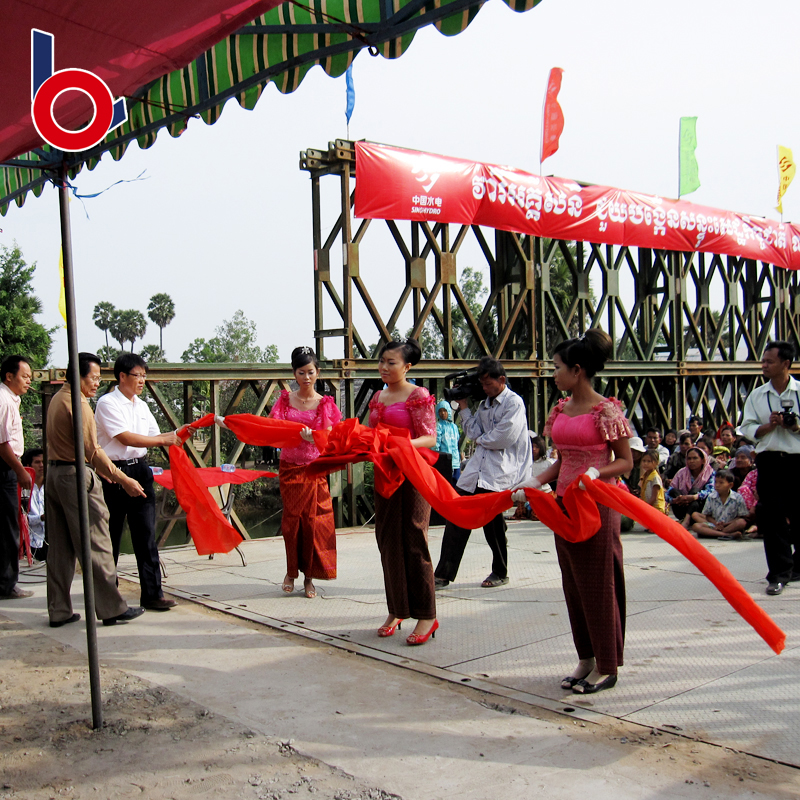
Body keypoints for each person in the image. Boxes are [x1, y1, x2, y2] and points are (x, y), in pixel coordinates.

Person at [514, 329, 633, 695]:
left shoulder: (606, 410)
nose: (554, 373)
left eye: (557, 367)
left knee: (599, 584)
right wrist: (534, 482)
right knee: (574, 583)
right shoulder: (560, 410)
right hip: (564, 506)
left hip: (597, 505)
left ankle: (607, 664)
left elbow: (626, 462)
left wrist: (597, 472)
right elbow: (560, 462)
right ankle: (586, 657)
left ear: (578, 370)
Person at [45, 352, 147, 627]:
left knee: (60, 547)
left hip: (54, 475)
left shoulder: (57, 400)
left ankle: (59, 609)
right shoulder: (80, 405)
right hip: (75, 475)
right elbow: (93, 451)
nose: (96, 383)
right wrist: (122, 478)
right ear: (77, 376)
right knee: (98, 541)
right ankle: (112, 607)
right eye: (93, 378)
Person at [433, 356, 531, 590]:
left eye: (488, 384)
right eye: (482, 384)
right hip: (477, 470)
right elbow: (473, 430)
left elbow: (503, 438)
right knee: (458, 517)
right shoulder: (485, 404)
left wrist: (480, 439)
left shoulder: (513, 403)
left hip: (499, 473)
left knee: (493, 525)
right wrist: (464, 408)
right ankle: (443, 574)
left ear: (502, 380)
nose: (484, 388)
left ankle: (500, 571)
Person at [95, 353, 182, 611]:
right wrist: (164, 440)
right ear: (122, 376)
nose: (142, 380)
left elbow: (156, 435)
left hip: (140, 471)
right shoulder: (107, 403)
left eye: (145, 375)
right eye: (138, 375)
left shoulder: (142, 406)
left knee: (145, 535)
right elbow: (125, 438)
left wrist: (179, 433)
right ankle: (108, 595)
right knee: (110, 536)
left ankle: (153, 594)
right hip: (113, 473)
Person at [368, 338, 438, 645]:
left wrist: (401, 445)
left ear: (407, 367)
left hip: (412, 474)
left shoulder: (417, 395)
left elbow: (430, 437)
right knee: (387, 541)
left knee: (413, 538)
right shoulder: (378, 395)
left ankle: (427, 615)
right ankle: (397, 609)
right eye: (382, 361)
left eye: (391, 363)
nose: (384, 367)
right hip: (385, 474)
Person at [269, 346, 341, 599]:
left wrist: (316, 439)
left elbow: (334, 439)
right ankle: (291, 572)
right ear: (294, 374)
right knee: (291, 523)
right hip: (289, 468)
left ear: (318, 373)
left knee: (312, 523)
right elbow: (273, 431)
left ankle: (309, 577)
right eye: (301, 372)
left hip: (314, 469)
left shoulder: (325, 404)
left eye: (310, 372)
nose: (306, 377)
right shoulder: (284, 400)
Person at [739, 340, 800, 596]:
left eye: (769, 361)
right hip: (771, 461)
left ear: (786, 364)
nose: (764, 365)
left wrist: (795, 426)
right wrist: (770, 426)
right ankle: (778, 574)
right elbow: (748, 428)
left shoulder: (799, 392)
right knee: (772, 517)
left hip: (798, 461)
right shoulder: (757, 395)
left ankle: (794, 567)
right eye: (763, 361)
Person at [0, 355, 34, 601]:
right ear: (9, 376)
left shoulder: (12, 400)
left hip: (8, 467)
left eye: (30, 377)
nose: (28, 381)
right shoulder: (4, 400)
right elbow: (2, 445)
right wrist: (21, 471)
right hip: (5, 469)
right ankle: (6, 583)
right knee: (7, 528)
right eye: (24, 376)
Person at [688, 470, 750, 540]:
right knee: (696, 526)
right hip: (715, 525)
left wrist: (725, 524)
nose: (717, 485)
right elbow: (708, 516)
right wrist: (716, 524)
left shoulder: (737, 497)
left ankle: (713, 533)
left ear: (730, 485)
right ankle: (727, 534)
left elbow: (741, 516)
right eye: (716, 482)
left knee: (742, 522)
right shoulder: (711, 496)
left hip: (730, 525)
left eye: (721, 483)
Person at [665, 446, 715, 526]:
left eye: (695, 458)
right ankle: (684, 518)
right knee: (673, 491)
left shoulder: (710, 473)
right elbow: (667, 493)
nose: (691, 461)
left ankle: (686, 520)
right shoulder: (681, 473)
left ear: (702, 460)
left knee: (695, 490)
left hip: (700, 509)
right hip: (682, 507)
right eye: (689, 458)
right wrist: (675, 500)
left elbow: (711, 491)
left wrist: (695, 497)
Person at [21, 448, 46, 562]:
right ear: (28, 465)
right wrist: (40, 518)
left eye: (43, 461)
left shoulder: (51, 486)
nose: (41, 465)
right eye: (37, 462)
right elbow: (21, 518)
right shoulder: (22, 489)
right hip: (30, 543)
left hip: (49, 541)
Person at [434, 399, 461, 482]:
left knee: (456, 484)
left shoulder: (454, 427)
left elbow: (457, 444)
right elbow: (435, 446)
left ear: (448, 411)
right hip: (444, 462)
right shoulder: (438, 427)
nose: (442, 413)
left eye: (444, 411)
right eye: (440, 411)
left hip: (456, 463)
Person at [638, 449, 666, 515]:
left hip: (656, 508)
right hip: (649, 506)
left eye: (649, 461)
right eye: (644, 461)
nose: (645, 463)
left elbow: (654, 497)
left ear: (656, 463)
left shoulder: (655, 478)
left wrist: (645, 507)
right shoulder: (644, 476)